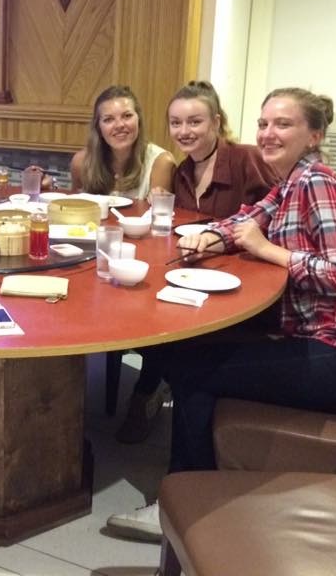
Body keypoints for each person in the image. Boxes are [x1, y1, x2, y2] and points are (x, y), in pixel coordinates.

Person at [107, 87, 336, 542]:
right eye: (263, 124)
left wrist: (268, 250)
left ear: (314, 135)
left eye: (283, 124)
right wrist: (211, 237)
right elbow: (245, 220)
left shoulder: (318, 182)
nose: (267, 133)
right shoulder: (290, 182)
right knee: (191, 353)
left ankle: (184, 505)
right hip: (315, 339)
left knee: (191, 369)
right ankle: (198, 489)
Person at [115, 81, 277, 444]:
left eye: (195, 122)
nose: (184, 131)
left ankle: (147, 394)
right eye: (176, 123)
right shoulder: (183, 172)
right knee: (150, 310)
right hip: (197, 278)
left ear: (216, 122)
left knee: (169, 328)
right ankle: (156, 391)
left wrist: (226, 241)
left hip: (246, 286)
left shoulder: (246, 160)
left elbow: (278, 215)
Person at [70, 85, 175, 199]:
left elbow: (159, 209)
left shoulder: (161, 163)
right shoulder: (81, 162)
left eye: (127, 116)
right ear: (98, 127)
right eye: (108, 119)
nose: (119, 125)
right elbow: (74, 206)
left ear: (138, 120)